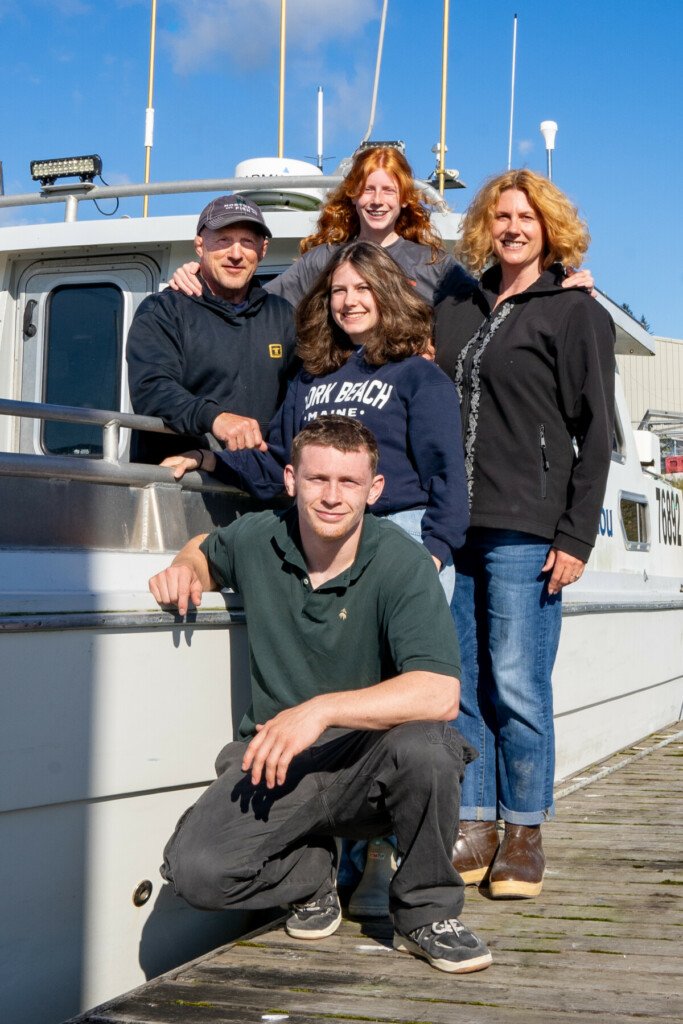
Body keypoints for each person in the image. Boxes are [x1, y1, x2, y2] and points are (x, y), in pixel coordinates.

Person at [149, 417, 492, 975]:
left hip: (368, 767)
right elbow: (204, 550)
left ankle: (428, 913)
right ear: (291, 479)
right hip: (276, 760)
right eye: (318, 479)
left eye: (348, 482)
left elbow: (439, 693)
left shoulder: (404, 563)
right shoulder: (260, 536)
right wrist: (185, 568)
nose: (332, 496)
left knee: (430, 747)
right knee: (196, 874)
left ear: (374, 490)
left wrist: (320, 710)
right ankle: (310, 876)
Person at [433, 169, 615, 899]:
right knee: (461, 683)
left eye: (526, 218)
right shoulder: (458, 305)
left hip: (527, 528)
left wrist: (575, 537)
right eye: (501, 216)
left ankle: (524, 830)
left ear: (549, 229)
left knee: (516, 682)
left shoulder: (573, 311)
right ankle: (474, 820)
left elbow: (595, 435)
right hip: (455, 526)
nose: (512, 228)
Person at [165, 240, 469, 585]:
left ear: (388, 293)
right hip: (324, 539)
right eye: (339, 290)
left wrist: (433, 553)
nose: (349, 301)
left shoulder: (419, 375)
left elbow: (446, 475)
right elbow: (279, 462)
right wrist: (207, 459)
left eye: (363, 288)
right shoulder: (310, 377)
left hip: (402, 536)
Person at [168, 144, 473, 307]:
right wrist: (201, 276)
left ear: (404, 198)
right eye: (368, 189)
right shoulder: (322, 260)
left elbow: (478, 310)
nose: (377, 201)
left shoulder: (434, 265)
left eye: (388, 191)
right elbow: (255, 304)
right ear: (353, 195)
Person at [126, 194, 297, 463]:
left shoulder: (283, 316)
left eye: (247, 242)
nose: (236, 254)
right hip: (181, 479)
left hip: (260, 480)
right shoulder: (163, 311)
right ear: (199, 245)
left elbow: (309, 390)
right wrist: (215, 418)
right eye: (223, 240)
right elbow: (152, 389)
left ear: (262, 250)